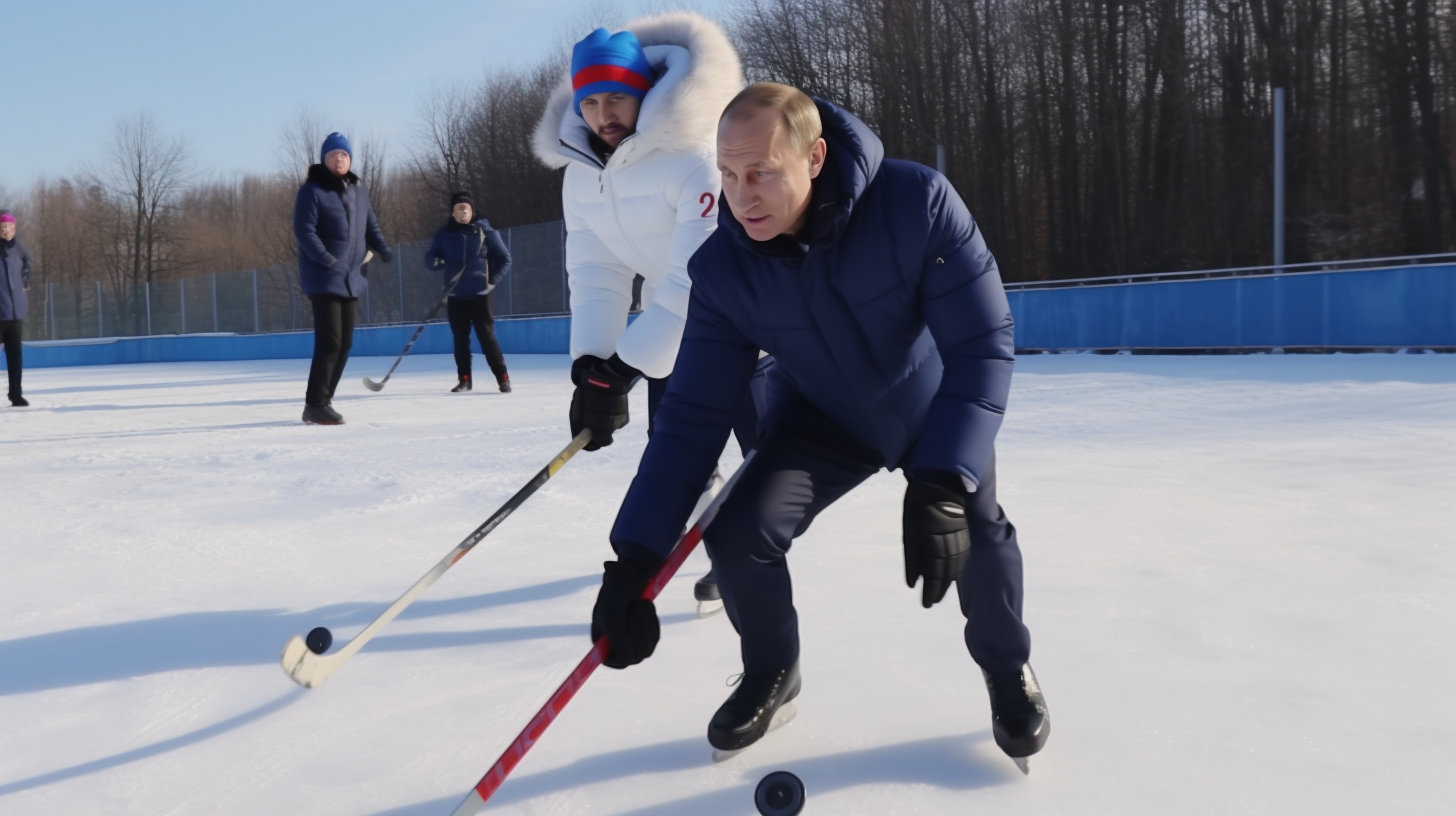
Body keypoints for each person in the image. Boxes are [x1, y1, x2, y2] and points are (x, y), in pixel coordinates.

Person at [588, 83, 1050, 768]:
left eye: (762, 173)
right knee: (738, 530)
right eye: (728, 175)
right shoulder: (722, 267)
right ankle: (774, 671)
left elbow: (982, 345)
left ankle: (1008, 667)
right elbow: (691, 419)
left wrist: (945, 479)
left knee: (975, 527)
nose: (741, 197)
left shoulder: (914, 204)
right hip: (821, 419)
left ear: (813, 157)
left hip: (930, 408)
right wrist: (635, 557)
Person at [532, 12, 757, 601]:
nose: (604, 115)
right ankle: (724, 550)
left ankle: (753, 545)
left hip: (756, 323)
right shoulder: (579, 175)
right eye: (591, 101)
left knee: (771, 455)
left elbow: (698, 279)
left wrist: (626, 366)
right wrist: (592, 364)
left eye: (618, 98)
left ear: (645, 93)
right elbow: (595, 271)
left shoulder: (693, 156)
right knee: (679, 448)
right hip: (674, 326)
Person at [293, 132, 391, 425]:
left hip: (352, 278)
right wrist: (327, 260)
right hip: (324, 278)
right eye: (334, 154)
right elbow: (304, 231)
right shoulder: (312, 191)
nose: (340, 159)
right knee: (330, 341)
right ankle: (315, 403)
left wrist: (383, 248)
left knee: (345, 342)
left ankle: (325, 399)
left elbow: (370, 225)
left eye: (345, 155)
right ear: (325, 159)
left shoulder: (357, 190)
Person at [424, 191, 513, 393]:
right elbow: (429, 259)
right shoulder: (444, 233)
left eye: (467, 207)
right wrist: (437, 262)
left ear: (472, 212)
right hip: (455, 296)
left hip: (480, 295)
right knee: (460, 340)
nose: (463, 210)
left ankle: (503, 378)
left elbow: (505, 259)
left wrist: (492, 281)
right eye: (459, 207)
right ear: (453, 213)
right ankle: (464, 380)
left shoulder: (485, 232)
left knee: (487, 338)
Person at [0, 211, 32, 407]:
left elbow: (28, 264)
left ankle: (15, 394)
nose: (7, 232)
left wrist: (24, 281)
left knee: (15, 355)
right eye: (3, 229)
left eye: (10, 228)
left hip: (15, 311)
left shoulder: (17, 247)